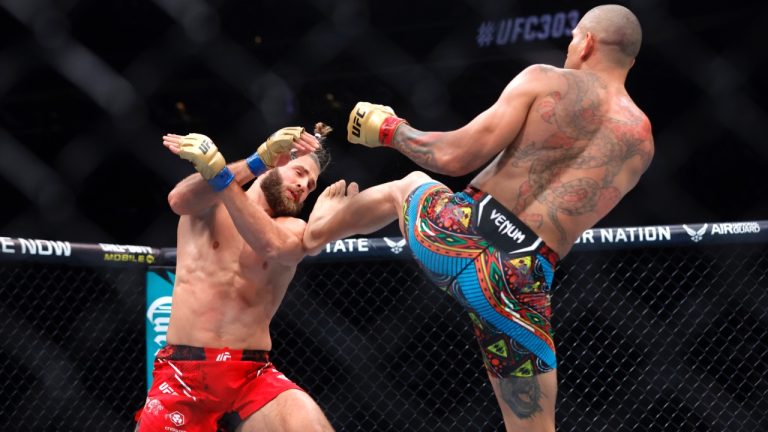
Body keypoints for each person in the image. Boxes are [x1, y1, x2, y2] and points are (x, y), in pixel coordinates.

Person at [305, 5, 653, 432]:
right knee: (535, 425)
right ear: (631, 61)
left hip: (455, 232)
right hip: (519, 281)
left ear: (587, 42)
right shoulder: (641, 141)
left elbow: (455, 157)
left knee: (408, 184)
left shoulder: (546, 80)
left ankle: (320, 227)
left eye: (572, 38)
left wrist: (390, 129)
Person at [135, 124, 336, 431]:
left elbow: (274, 246)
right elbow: (179, 199)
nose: (304, 186)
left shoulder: (294, 229)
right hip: (184, 371)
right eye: (299, 172)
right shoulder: (211, 203)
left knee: (308, 423)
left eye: (311, 185)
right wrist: (258, 160)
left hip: (251, 374)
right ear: (278, 162)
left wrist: (221, 174)